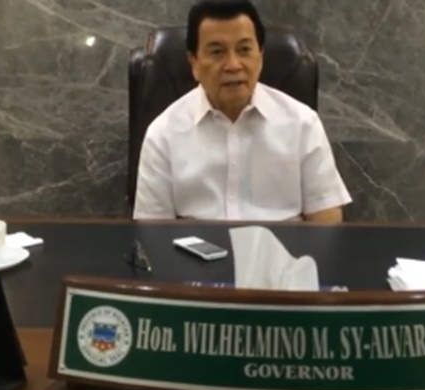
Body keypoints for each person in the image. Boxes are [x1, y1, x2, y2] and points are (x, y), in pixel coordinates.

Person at [133, 0, 351, 223]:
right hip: (195, 246)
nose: (233, 65)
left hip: (284, 246)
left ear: (260, 56)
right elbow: (152, 233)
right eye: (217, 52)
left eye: (244, 50)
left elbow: (327, 223)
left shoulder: (303, 124)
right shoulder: (163, 134)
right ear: (194, 63)